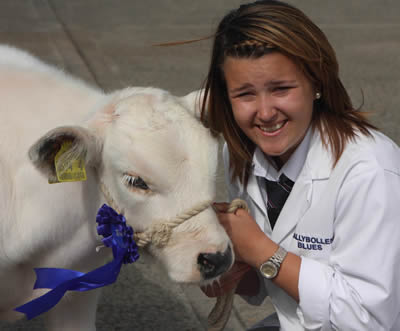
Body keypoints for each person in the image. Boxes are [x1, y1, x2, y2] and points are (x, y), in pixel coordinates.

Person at [199, 1, 400, 330]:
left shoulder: (370, 169)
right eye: (245, 94)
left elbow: (370, 321)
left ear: (316, 82)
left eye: (281, 89)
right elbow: (270, 283)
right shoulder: (240, 154)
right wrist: (230, 268)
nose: (265, 113)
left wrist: (262, 251)